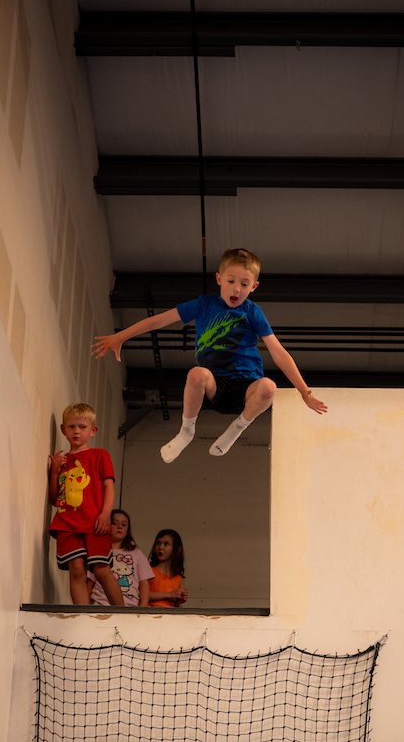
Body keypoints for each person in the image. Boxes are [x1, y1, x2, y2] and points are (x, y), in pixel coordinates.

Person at [92, 247, 327, 463]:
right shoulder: (203, 304)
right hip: (215, 384)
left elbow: (278, 352)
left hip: (247, 389)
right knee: (196, 375)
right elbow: (160, 320)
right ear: (219, 279)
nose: (237, 288)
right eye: (231, 281)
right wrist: (121, 336)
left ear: (254, 286)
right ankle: (186, 431)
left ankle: (237, 428)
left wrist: (303, 390)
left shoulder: (253, 312)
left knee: (269, 387)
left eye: (245, 284)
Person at [48, 403, 124, 606]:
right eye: (72, 426)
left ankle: (125, 615)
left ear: (93, 430)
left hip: (95, 522)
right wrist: (54, 472)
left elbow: (109, 486)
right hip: (67, 523)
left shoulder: (100, 455)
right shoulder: (62, 461)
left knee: (101, 569)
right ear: (63, 429)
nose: (77, 431)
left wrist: (106, 513)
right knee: (76, 569)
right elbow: (55, 499)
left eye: (82, 426)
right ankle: (82, 616)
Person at [87, 509, 154, 607]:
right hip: (100, 603)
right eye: (114, 523)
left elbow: (143, 582)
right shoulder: (99, 552)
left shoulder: (137, 553)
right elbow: (90, 582)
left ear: (128, 530)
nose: (119, 527)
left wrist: (143, 605)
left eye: (123, 525)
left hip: (130, 605)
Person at [148, 529, 188, 608]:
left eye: (166, 544)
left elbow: (178, 607)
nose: (161, 547)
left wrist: (178, 602)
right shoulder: (148, 570)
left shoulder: (179, 577)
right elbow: (143, 594)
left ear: (177, 549)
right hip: (150, 616)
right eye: (158, 543)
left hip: (170, 617)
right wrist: (170, 594)